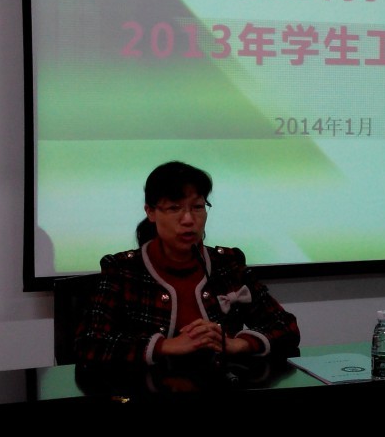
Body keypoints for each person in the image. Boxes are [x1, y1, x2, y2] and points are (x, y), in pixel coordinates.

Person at [74, 160, 301, 373]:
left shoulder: (228, 264)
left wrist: (238, 344)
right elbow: (89, 343)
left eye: (198, 207)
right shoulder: (123, 269)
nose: (189, 220)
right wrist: (164, 346)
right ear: (150, 212)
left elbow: (286, 326)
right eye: (174, 208)